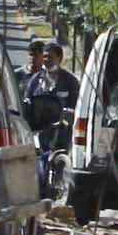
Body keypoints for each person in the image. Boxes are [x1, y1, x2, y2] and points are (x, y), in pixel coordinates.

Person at [20, 39, 79, 189]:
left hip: (62, 132)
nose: (47, 60)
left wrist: (68, 115)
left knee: (61, 163)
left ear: (59, 58)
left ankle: (60, 184)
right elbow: (27, 101)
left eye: (50, 57)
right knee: (39, 164)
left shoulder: (70, 81)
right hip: (40, 131)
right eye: (45, 56)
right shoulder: (35, 80)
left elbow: (76, 105)